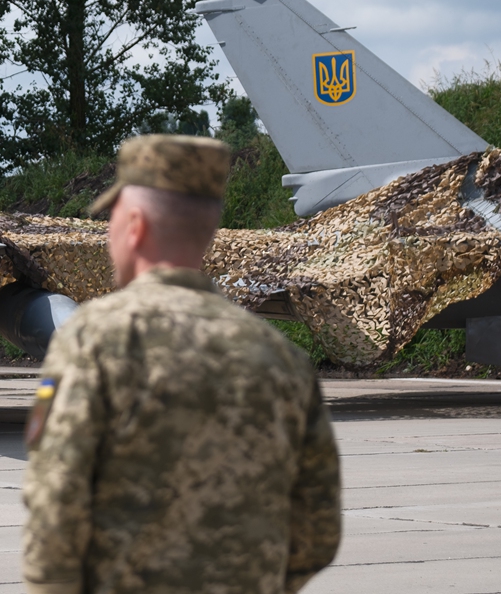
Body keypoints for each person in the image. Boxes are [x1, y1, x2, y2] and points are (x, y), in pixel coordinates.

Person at [21, 134, 341, 594]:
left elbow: (56, 503)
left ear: (133, 226)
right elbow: (319, 527)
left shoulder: (95, 340)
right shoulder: (281, 358)